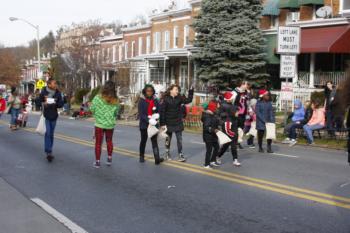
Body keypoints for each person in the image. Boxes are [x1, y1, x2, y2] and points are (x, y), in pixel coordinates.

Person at [160, 84, 194, 162]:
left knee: (179, 139)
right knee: (168, 139)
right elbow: (162, 112)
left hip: (178, 122)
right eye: (176, 89)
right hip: (168, 122)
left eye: (178, 90)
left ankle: (180, 154)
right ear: (171, 90)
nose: (177, 91)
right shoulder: (166, 99)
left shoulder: (179, 98)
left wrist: (191, 91)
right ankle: (167, 153)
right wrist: (162, 124)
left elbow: (188, 100)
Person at [90, 81, 120, 168]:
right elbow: (116, 112)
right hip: (110, 124)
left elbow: (92, 109)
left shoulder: (97, 98)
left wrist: (97, 114)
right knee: (109, 141)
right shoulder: (116, 100)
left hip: (99, 124)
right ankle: (109, 158)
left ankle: (98, 162)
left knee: (98, 143)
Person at [138, 84, 164, 165]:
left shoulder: (155, 100)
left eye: (151, 91)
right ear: (145, 92)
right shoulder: (141, 101)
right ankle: (141, 156)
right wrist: (149, 120)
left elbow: (159, 110)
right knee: (143, 140)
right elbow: (141, 114)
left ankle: (157, 158)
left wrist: (157, 116)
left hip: (153, 125)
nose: (149, 92)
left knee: (154, 141)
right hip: (144, 124)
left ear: (153, 92)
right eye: (148, 91)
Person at [39, 79, 64, 162]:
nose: (55, 85)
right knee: (48, 133)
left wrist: (56, 102)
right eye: (54, 83)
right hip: (46, 115)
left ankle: (49, 150)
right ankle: (48, 151)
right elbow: (38, 101)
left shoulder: (57, 92)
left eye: (56, 83)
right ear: (49, 84)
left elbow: (61, 104)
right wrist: (44, 103)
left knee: (51, 134)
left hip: (54, 115)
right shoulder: (43, 92)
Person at [217, 91, 241, 166]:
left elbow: (236, 114)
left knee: (233, 142)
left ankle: (235, 159)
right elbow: (219, 114)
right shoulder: (223, 105)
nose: (232, 99)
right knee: (227, 143)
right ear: (228, 99)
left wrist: (236, 114)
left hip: (233, 125)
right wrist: (227, 115)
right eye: (231, 98)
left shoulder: (233, 105)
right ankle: (218, 156)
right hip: (227, 125)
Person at [201, 100, 221, 168]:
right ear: (213, 108)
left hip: (214, 135)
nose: (217, 109)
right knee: (209, 150)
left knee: (217, 147)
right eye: (216, 108)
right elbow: (206, 128)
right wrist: (214, 130)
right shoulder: (207, 116)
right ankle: (206, 164)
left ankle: (212, 160)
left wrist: (218, 127)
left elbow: (215, 122)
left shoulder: (213, 115)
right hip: (208, 136)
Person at [232, 80, 249, 149]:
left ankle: (238, 142)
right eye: (246, 84)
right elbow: (231, 102)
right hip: (236, 113)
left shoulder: (246, 92)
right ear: (242, 84)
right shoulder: (234, 92)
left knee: (241, 128)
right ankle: (231, 143)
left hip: (243, 113)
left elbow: (246, 102)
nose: (247, 86)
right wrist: (233, 111)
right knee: (234, 129)